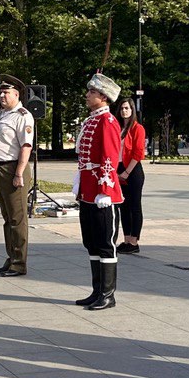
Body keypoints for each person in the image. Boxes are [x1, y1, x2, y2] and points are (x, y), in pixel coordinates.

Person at [73, 73, 124, 310]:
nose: (87, 95)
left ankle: (108, 294)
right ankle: (96, 291)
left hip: (103, 194)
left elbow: (109, 158)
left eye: (91, 92)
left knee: (106, 243)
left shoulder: (108, 122)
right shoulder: (91, 120)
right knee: (91, 242)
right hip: (88, 191)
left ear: (103, 97)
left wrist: (105, 189)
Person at [0, 74, 35, 277]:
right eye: (1, 92)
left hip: (12, 169)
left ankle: (19, 263)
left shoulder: (23, 116)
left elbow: (26, 147)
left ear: (16, 94)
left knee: (17, 218)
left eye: (6, 92)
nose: (2, 95)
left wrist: (19, 173)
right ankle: (11, 257)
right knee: (7, 218)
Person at [116, 99, 147, 254]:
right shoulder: (119, 128)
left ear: (132, 109)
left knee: (134, 206)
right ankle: (127, 239)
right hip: (120, 169)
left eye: (127, 108)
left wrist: (127, 172)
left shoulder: (138, 128)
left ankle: (134, 241)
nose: (124, 111)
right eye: (122, 108)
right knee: (124, 207)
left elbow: (138, 153)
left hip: (133, 170)